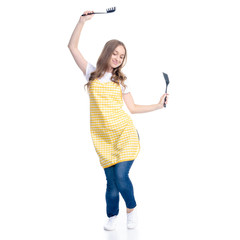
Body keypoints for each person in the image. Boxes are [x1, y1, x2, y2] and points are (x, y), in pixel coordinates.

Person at [68, 10, 169, 231]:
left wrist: (158, 105)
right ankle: (112, 215)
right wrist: (81, 22)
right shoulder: (91, 73)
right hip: (103, 137)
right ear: (107, 52)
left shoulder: (121, 81)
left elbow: (132, 108)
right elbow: (72, 47)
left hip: (125, 133)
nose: (117, 58)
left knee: (122, 176)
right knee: (111, 184)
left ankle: (131, 209)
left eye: (121, 56)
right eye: (115, 53)